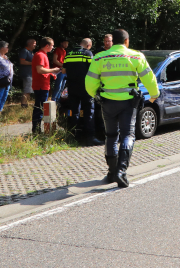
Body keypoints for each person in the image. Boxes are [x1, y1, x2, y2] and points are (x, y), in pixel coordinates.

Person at [86, 29, 159, 188]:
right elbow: (149, 78)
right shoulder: (136, 56)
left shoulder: (99, 57)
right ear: (126, 41)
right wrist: (154, 94)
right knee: (128, 134)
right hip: (128, 103)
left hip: (107, 102)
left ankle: (112, 172)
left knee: (111, 135)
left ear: (112, 41)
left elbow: (89, 83)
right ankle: (121, 171)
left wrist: (96, 95)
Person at [62, 38, 103, 146]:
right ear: (88, 45)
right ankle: (90, 138)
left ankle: (74, 137)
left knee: (74, 112)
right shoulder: (87, 53)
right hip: (86, 87)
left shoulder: (69, 54)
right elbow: (93, 70)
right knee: (89, 112)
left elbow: (64, 70)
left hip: (72, 87)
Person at [31, 37, 61, 134]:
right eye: (52, 45)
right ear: (47, 46)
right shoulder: (40, 55)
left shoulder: (43, 54)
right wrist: (53, 70)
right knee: (39, 108)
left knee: (40, 107)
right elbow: (40, 70)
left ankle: (37, 129)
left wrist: (51, 73)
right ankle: (36, 130)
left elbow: (43, 70)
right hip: (40, 85)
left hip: (44, 85)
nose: (53, 47)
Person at [18, 38, 36, 108]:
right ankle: (23, 105)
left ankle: (26, 104)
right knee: (27, 90)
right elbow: (22, 61)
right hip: (27, 74)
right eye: (34, 43)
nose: (35, 45)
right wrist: (33, 63)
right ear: (29, 43)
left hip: (31, 74)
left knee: (29, 90)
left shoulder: (31, 52)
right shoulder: (24, 51)